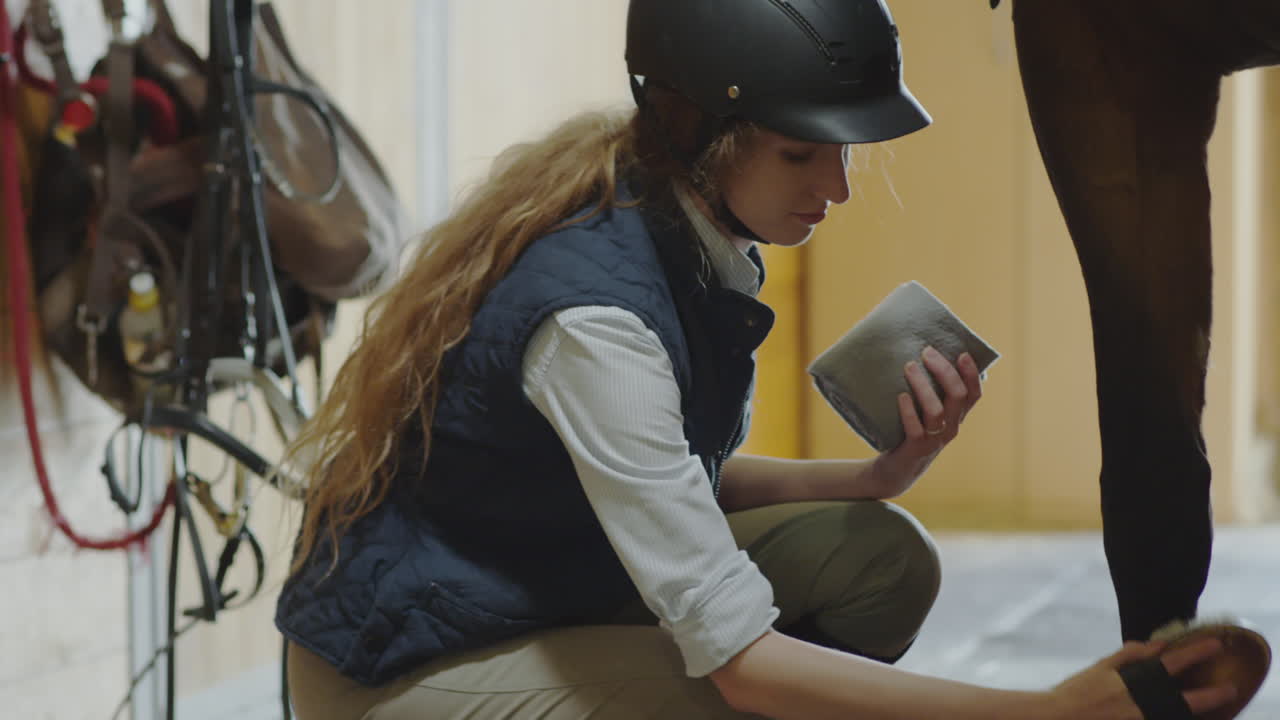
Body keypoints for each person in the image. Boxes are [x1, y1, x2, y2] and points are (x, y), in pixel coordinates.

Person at [275, 1, 1239, 717]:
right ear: (697, 129)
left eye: (844, 153)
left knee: (879, 558)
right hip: (404, 668)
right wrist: (1041, 711)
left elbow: (657, 477)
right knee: (728, 694)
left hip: (544, 586)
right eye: (799, 155)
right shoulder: (594, 322)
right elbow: (738, 656)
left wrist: (873, 475)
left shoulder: (680, 227)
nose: (840, 186)